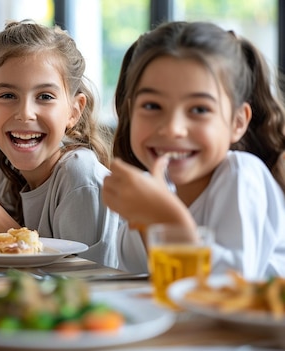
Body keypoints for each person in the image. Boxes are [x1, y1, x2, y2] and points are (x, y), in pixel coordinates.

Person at [0, 20, 121, 268]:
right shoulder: (4, 170)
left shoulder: (80, 179)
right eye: (8, 96)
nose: (25, 113)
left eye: (45, 97)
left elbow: (83, 288)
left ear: (73, 111)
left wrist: (3, 228)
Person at [102, 21, 285, 278]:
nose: (173, 129)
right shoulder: (149, 188)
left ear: (238, 122)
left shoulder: (241, 175)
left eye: (199, 109)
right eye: (152, 106)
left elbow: (230, 288)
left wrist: (166, 219)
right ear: (131, 112)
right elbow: (137, 273)